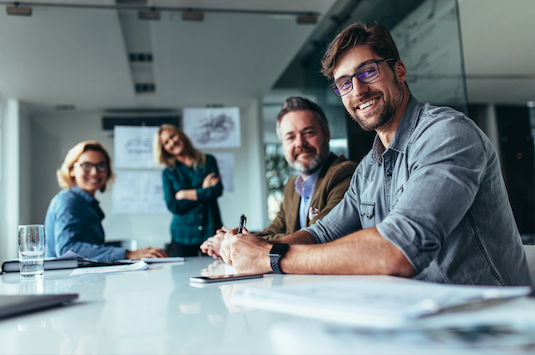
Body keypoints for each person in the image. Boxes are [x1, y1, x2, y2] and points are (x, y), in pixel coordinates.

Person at [220, 22, 533, 288]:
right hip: (418, 318)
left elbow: (399, 249)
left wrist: (270, 256)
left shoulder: (446, 134)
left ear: (398, 70)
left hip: (492, 327)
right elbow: (323, 232)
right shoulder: (369, 168)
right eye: (344, 83)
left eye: (367, 72)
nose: (357, 90)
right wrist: (253, 248)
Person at [200, 97, 357, 258]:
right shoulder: (292, 186)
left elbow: (320, 235)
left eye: (308, 132)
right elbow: (276, 230)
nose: (300, 143)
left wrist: (236, 244)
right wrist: (236, 239)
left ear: (327, 134)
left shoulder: (344, 174)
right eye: (290, 137)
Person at [45, 140, 167, 261]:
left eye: (101, 166)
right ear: (71, 169)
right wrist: (127, 254)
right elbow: (68, 249)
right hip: (65, 280)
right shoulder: (68, 201)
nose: (94, 172)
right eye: (86, 165)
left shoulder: (87, 204)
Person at [155, 124, 223, 257]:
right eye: (166, 142)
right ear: (164, 149)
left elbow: (216, 191)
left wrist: (184, 194)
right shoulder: (168, 172)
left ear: (180, 135)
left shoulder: (208, 161)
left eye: (172, 136)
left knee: (216, 272)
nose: (172, 142)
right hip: (182, 236)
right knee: (182, 276)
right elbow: (173, 205)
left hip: (211, 230)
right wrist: (203, 190)